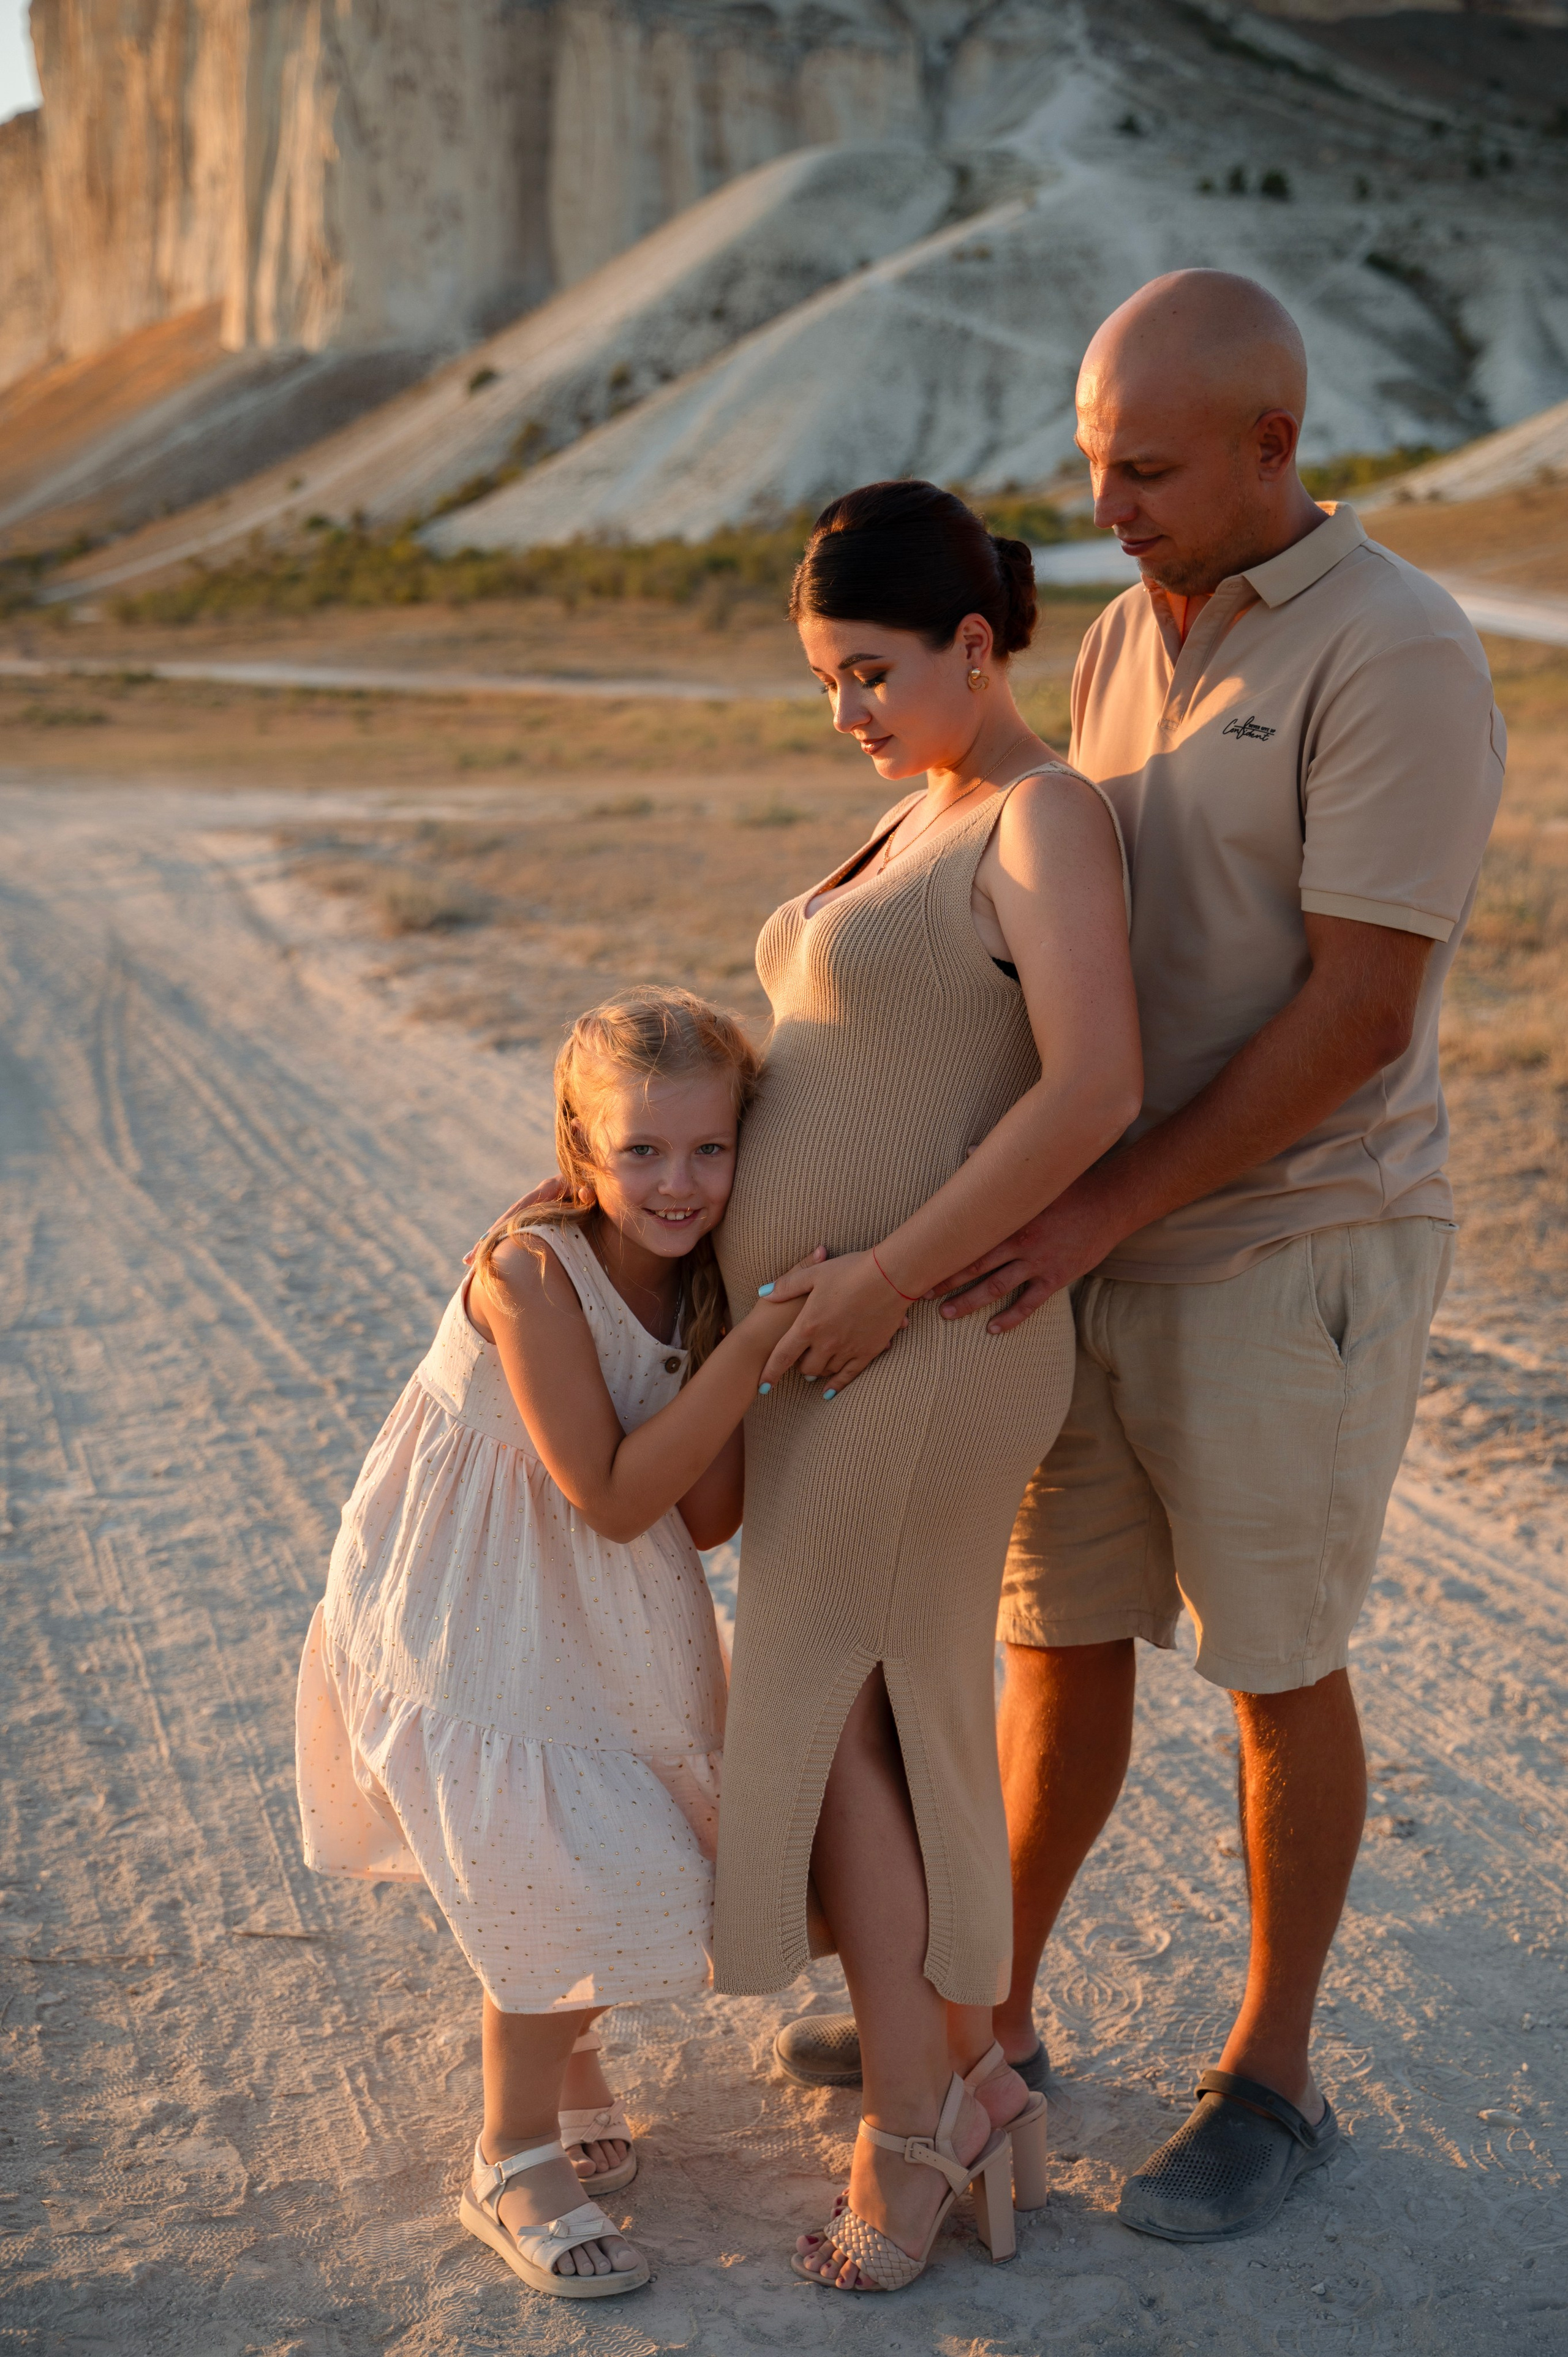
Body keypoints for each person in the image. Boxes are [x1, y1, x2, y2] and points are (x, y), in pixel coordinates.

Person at [938, 270, 1503, 2241]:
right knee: (1056, 1634)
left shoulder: (1397, 649)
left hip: (1294, 1238)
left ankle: (1274, 2078)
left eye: (1152, 473)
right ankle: (992, 2017)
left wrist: (1100, 1205)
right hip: (1101, 1234)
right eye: (1097, 465)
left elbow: (1360, 1014)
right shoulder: (1119, 634)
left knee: (1277, 1665)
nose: (1108, 510)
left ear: (1277, 446)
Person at [712, 480, 1144, 2293]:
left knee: (830, 1716)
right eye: (826, 680)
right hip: (845, 1353)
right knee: (876, 1723)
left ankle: (917, 2130)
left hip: (930, 1345)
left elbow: (1095, 1085)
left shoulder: (1040, 814)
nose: (847, 712)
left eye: (872, 672)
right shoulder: (926, 809)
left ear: (976, 643)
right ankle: (973, 2085)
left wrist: (885, 1277)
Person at [293, 987, 815, 2302]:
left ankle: (570, 2060)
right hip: (473, 1603)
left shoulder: (706, 1275)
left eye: (708, 1148)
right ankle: (510, 2153)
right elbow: (615, 1496)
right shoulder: (529, 1273)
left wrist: (731, 1328)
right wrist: (757, 1343)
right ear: (581, 1147)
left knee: (640, 1847)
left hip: (599, 1606)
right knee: (548, 1861)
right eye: (641, 1149)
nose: (678, 1182)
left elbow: (703, 1516)